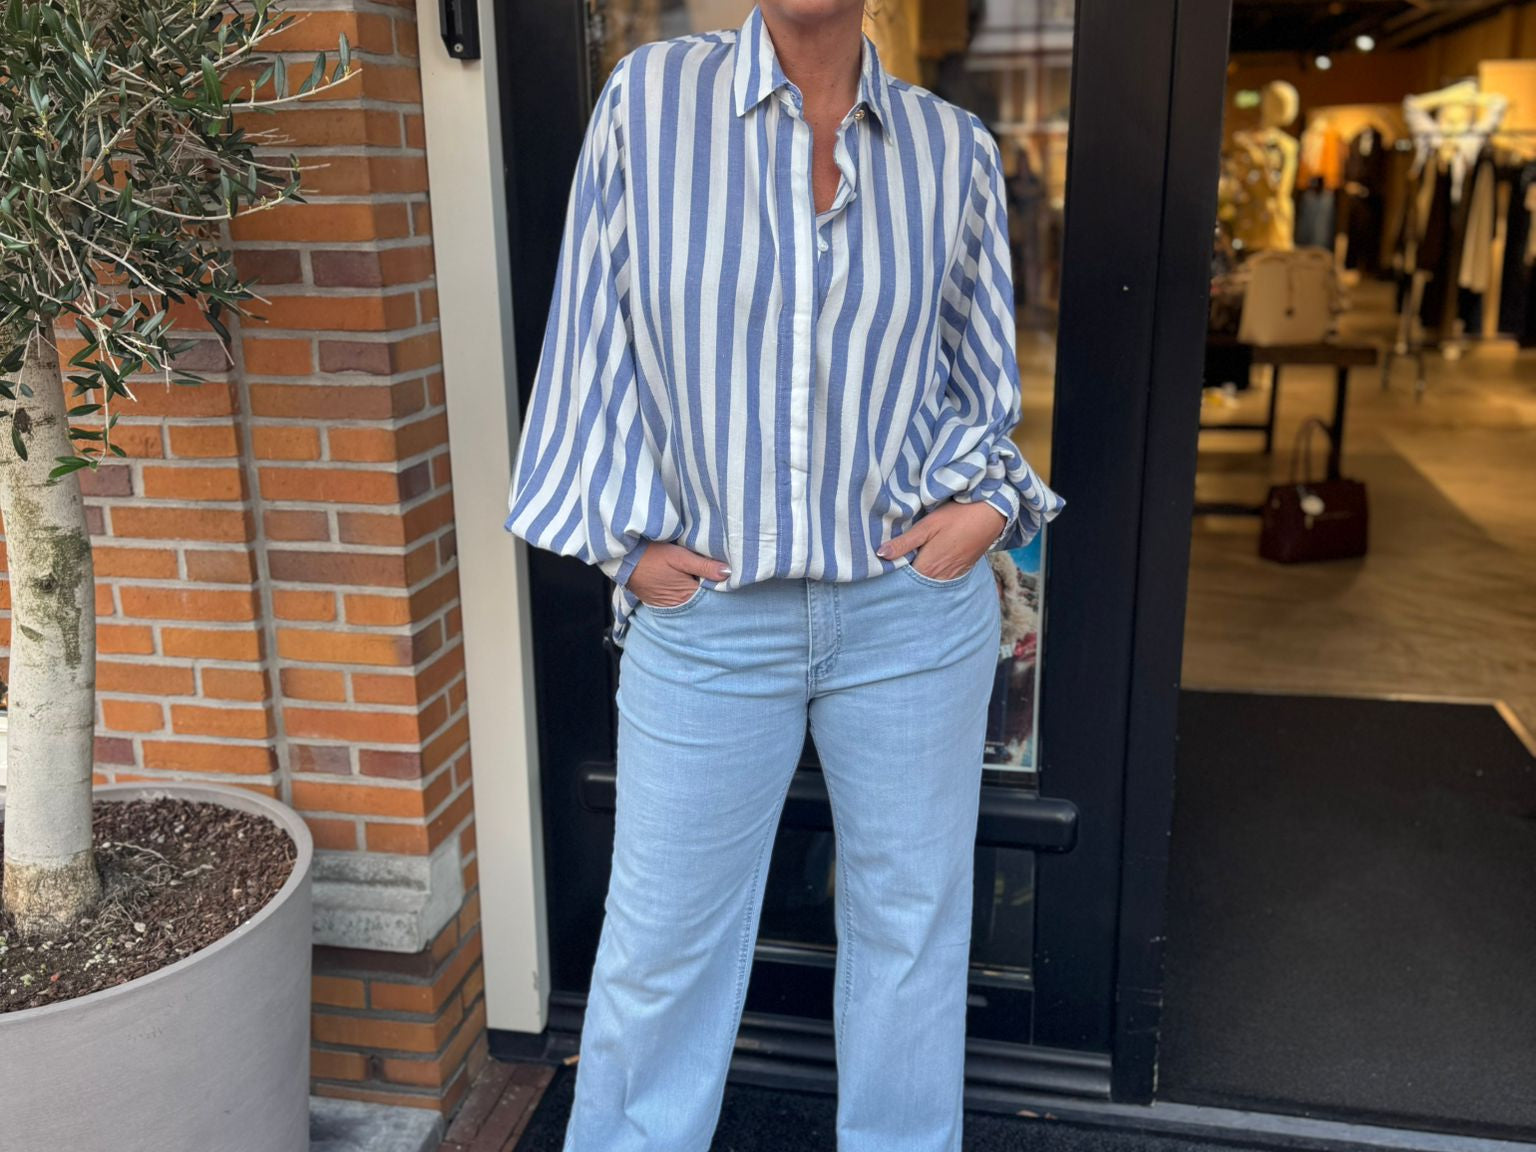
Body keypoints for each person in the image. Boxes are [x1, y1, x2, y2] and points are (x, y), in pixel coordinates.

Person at [503, 3, 1064, 1148]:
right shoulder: (650, 104)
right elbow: (589, 341)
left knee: (910, 940)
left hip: (912, 617)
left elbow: (979, 374)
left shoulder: (951, 148)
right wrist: (626, 550)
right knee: (660, 948)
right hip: (711, 619)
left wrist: (987, 509)